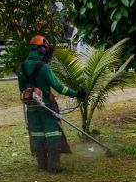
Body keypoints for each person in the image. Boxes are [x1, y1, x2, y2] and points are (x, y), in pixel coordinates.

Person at [17, 35, 85, 173]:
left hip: (31, 107)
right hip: (46, 107)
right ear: (41, 50)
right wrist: (77, 94)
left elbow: (21, 89)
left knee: (37, 135)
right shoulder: (44, 68)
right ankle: (53, 167)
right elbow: (59, 87)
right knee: (53, 134)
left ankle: (42, 165)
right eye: (46, 50)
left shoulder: (21, 67)